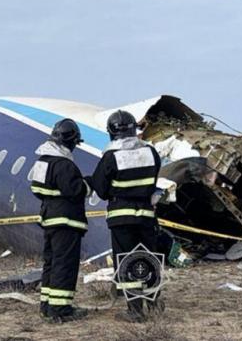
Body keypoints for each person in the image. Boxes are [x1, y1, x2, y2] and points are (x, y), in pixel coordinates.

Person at [87, 110, 163, 323]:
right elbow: (153, 180)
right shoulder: (151, 152)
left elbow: (100, 189)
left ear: (111, 132)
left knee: (128, 262)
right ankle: (154, 302)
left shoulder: (111, 157)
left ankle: (136, 311)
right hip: (146, 216)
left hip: (122, 218)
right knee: (149, 258)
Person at [28, 119, 89, 323]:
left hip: (49, 219)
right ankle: (61, 309)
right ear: (71, 141)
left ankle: (47, 305)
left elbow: (36, 189)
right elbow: (75, 191)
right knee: (65, 264)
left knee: (51, 263)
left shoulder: (42, 162)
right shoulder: (64, 164)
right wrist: (87, 184)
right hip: (66, 222)